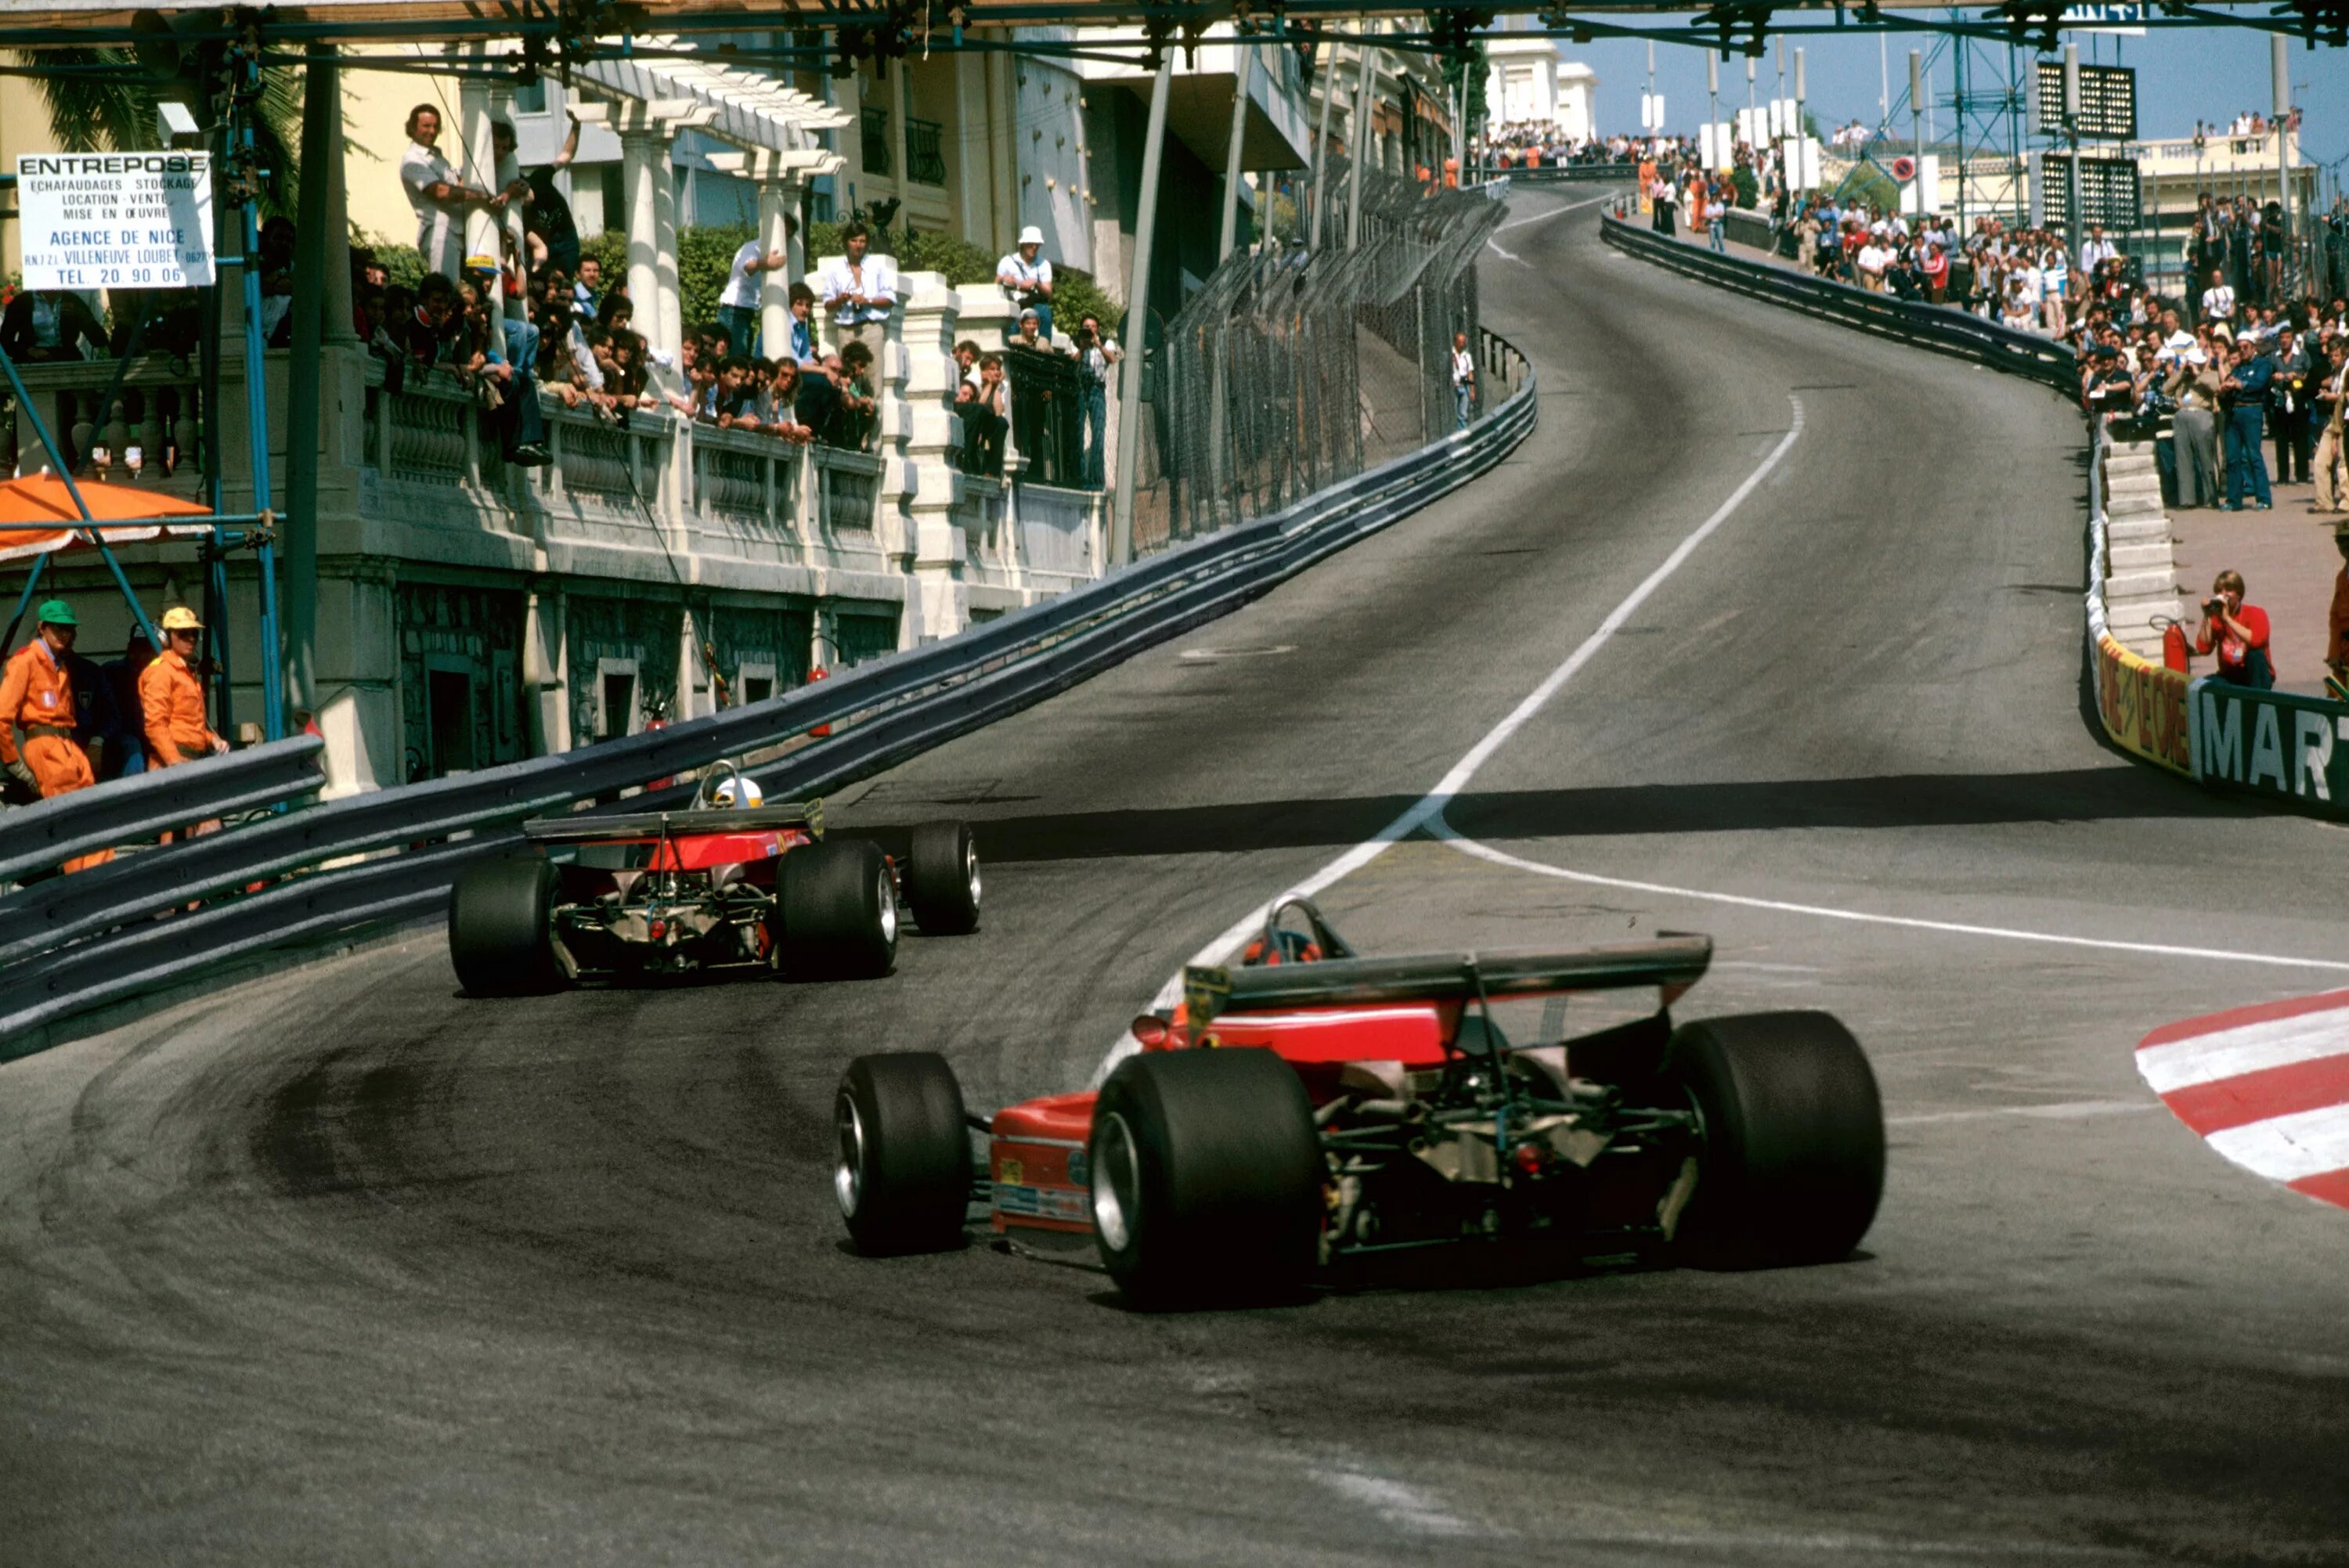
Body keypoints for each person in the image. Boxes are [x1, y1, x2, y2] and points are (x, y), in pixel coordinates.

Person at [0, 600, 111, 871]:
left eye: (70, 630)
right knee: (71, 823)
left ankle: (101, 885)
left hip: (68, 747)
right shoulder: (25, 661)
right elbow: (2, 716)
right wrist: (15, 765)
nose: (66, 635)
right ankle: (81, 893)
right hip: (45, 747)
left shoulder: (60, 667)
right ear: (42, 628)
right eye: (59, 629)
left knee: (94, 819)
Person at [399, 104, 493, 280]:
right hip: (441, 235)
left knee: (469, 294)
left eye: (436, 126)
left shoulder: (437, 157)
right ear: (412, 128)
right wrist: (481, 196)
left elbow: (458, 182)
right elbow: (441, 192)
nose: (432, 131)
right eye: (426, 126)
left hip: (460, 233)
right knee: (447, 291)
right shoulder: (412, 161)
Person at [139, 606, 229, 773]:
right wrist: (174, 762)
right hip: (171, 765)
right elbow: (155, 724)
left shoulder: (186, 673)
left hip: (191, 761)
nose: (190, 639)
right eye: (183, 633)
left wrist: (212, 739)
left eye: (194, 633)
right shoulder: (161, 672)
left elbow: (188, 722)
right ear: (166, 637)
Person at [817, 221, 900, 353]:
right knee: (848, 372)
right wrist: (841, 300)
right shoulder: (836, 270)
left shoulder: (876, 267)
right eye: (854, 241)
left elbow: (890, 300)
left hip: (871, 327)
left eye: (862, 241)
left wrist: (868, 301)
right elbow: (828, 305)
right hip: (846, 328)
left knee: (874, 373)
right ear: (847, 243)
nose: (858, 245)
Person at [524, 113, 585, 281]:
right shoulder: (520, 213)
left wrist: (576, 125)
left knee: (564, 279)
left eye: (524, 196)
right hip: (545, 241)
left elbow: (566, 155)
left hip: (566, 236)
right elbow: (539, 247)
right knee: (546, 280)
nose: (524, 202)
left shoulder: (539, 178)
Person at [2219, 336, 2274, 511]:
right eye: (2240, 347)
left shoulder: (2262, 364)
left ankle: (2264, 498)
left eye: (2245, 347)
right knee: (2233, 458)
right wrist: (2224, 389)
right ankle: (2234, 500)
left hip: (2252, 410)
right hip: (2234, 412)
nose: (2242, 350)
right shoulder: (2238, 368)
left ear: (2253, 348)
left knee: (2253, 455)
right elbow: (2230, 382)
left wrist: (2239, 385)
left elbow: (2258, 383)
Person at [718, 231, 792, 359]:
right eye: (784, 232)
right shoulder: (754, 247)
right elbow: (747, 266)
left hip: (746, 312)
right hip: (734, 310)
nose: (784, 238)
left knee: (744, 357)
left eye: (788, 235)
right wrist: (765, 263)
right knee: (738, 358)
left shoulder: (774, 253)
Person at [2194, 570, 2271, 687]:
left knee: (2255, 655)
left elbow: (2256, 641)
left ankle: (2258, 700)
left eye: (2228, 590)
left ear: (2238, 594)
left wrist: (2228, 619)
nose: (2223, 594)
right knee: (2206, 685)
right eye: (2220, 591)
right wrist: (2207, 616)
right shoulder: (2216, 618)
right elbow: (2204, 648)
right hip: (2231, 674)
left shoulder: (2255, 613)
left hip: (2254, 673)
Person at [1073, 314, 1117, 490]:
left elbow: (1113, 359)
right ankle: (1079, 478)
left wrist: (1098, 344)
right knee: (1078, 433)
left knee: (1098, 434)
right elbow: (1072, 362)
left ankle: (1097, 481)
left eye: (1092, 326)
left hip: (1097, 388)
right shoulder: (1076, 343)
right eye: (1086, 326)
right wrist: (1082, 348)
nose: (1089, 329)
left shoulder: (1107, 343)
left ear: (1097, 329)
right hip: (1080, 389)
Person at [2269, 324, 2314, 488]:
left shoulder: (2302, 355)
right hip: (2280, 400)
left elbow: (2310, 374)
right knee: (2281, 439)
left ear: (2293, 339)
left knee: (2300, 437)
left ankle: (2302, 475)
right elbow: (2268, 375)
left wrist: (2299, 377)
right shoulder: (2274, 357)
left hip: (2298, 399)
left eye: (2288, 337)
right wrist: (2275, 376)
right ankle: (2283, 476)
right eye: (2282, 338)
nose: (2285, 341)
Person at [996, 225, 1056, 344]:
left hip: (1035, 303)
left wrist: (1036, 284)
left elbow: (1049, 293)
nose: (1034, 248)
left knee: (1045, 312)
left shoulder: (1044, 264)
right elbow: (995, 285)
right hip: (1014, 302)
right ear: (1023, 244)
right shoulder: (1008, 262)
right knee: (1012, 321)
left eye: (1037, 245)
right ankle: (1011, 347)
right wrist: (1004, 279)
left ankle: (1044, 347)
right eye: (1030, 244)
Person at [1449, 330, 1476, 430]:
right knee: (1453, 412)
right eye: (1460, 342)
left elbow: (1470, 373)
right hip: (1453, 386)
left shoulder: (1466, 356)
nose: (1462, 344)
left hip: (1464, 385)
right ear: (1455, 342)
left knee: (1463, 413)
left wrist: (1472, 390)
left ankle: (1463, 433)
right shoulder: (1450, 355)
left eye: (1463, 342)